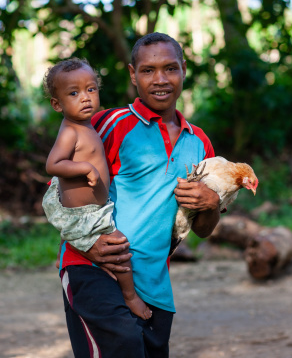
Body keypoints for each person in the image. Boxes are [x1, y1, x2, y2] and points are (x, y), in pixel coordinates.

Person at [57, 33, 221, 358]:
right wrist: (89, 243)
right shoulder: (110, 124)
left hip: (153, 283)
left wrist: (211, 204)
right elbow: (58, 190)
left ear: (184, 70)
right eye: (148, 71)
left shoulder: (200, 144)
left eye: (170, 69)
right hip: (92, 269)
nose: (160, 80)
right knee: (122, 347)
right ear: (133, 75)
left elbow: (202, 228)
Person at [41, 57, 152, 320]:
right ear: (57, 104)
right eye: (74, 93)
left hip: (94, 209)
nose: (85, 97)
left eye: (91, 89)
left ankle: (105, 273)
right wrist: (85, 169)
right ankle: (130, 296)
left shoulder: (87, 125)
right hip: (85, 214)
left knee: (112, 250)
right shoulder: (70, 131)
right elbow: (53, 164)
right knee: (119, 249)